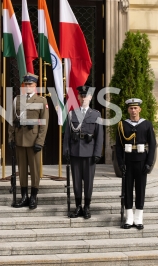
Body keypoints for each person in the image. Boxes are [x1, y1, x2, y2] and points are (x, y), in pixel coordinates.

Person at [8, 72, 49, 210]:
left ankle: (33, 196)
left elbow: (44, 123)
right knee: (22, 170)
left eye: (30, 84)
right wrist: (11, 137)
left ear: (35, 85)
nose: (28, 86)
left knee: (35, 170)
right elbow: (12, 121)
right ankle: (24, 196)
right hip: (20, 139)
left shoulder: (41, 101)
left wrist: (40, 141)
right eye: (26, 84)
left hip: (33, 140)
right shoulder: (17, 99)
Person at [63, 85, 103, 219]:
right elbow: (67, 135)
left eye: (86, 96)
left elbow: (99, 136)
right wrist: (66, 150)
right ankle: (78, 206)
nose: (84, 98)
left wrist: (97, 153)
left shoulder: (96, 114)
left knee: (88, 181)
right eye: (82, 96)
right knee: (76, 181)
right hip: (75, 152)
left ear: (90, 97)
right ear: (79, 97)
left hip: (90, 153)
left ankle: (87, 206)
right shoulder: (72, 113)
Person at [116, 98, 156, 230]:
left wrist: (149, 163)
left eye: (135, 108)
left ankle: (138, 219)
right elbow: (118, 146)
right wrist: (120, 162)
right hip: (128, 161)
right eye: (131, 108)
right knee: (127, 190)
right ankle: (129, 218)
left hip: (141, 161)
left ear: (140, 109)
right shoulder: (122, 125)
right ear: (128, 110)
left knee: (140, 190)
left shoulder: (146, 124)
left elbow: (152, 145)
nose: (133, 111)